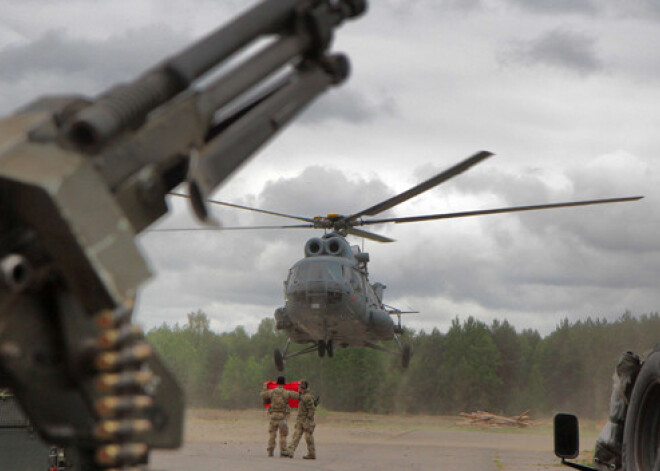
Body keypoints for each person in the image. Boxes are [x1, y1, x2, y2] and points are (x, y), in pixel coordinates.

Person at [261, 376, 297, 457]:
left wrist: (265, 387)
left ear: (277, 383)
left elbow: (263, 395)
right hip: (282, 417)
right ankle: (283, 451)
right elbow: (297, 396)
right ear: (284, 383)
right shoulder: (287, 392)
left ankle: (270, 451)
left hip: (273, 416)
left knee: (272, 434)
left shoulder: (272, 392)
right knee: (283, 435)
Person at [284, 379, 317, 460]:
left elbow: (311, 409)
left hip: (306, 420)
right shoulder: (302, 395)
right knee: (296, 436)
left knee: (308, 437)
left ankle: (311, 453)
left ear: (303, 387)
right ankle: (290, 451)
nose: (298, 388)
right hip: (300, 419)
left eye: (299, 386)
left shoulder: (308, 397)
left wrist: (308, 419)